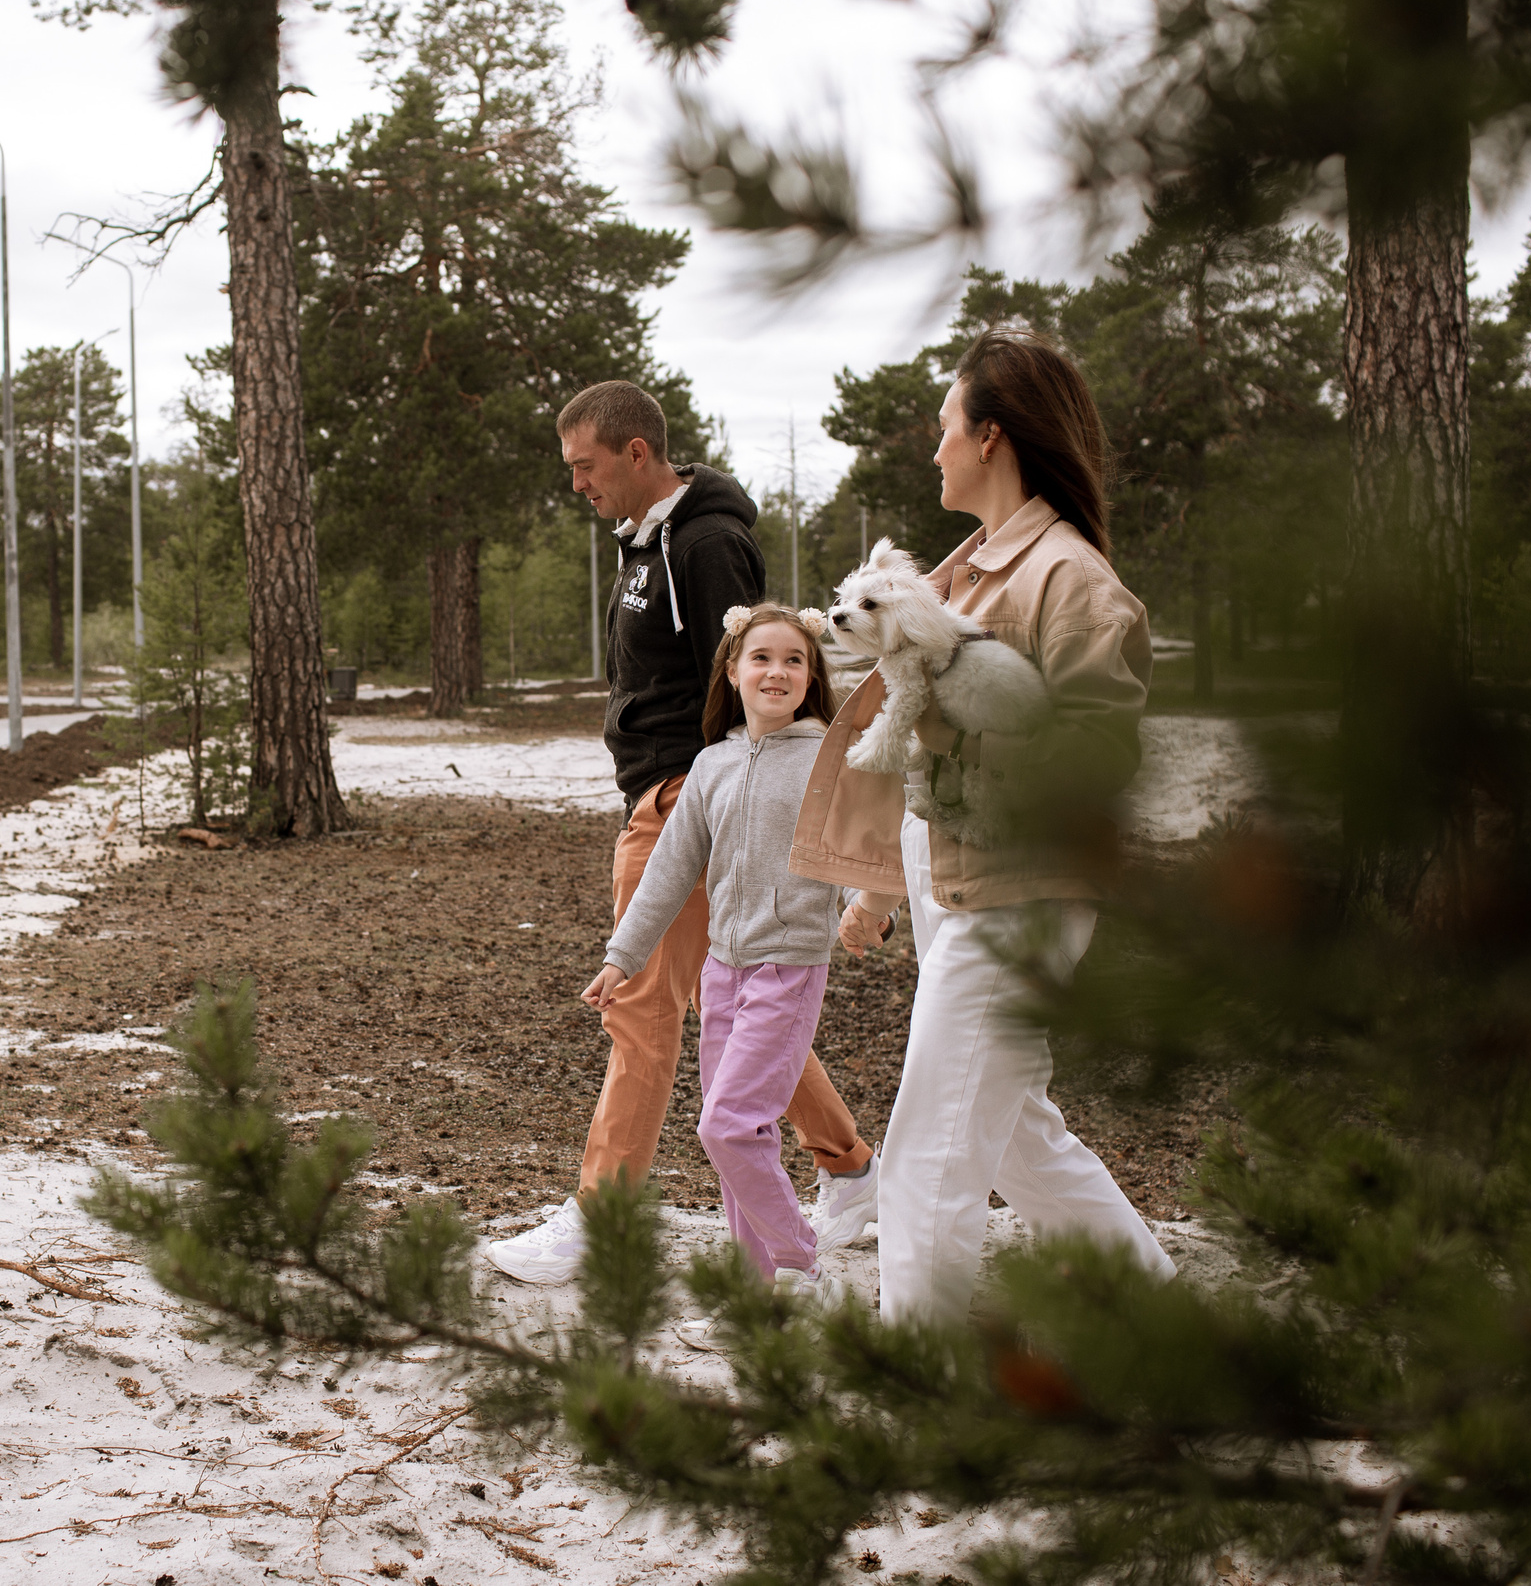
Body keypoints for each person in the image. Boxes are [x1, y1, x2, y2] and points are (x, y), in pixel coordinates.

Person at [789, 328, 1176, 1324]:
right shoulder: (971, 569)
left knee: (931, 1149)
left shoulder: (1068, 580)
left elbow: (1095, 759)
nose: (934, 450)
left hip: (1021, 895)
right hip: (957, 881)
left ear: (992, 437)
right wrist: (880, 879)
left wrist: (956, 746)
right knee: (1012, 1135)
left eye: (945, 428)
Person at [485, 380, 876, 1286]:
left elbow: (745, 681)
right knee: (712, 997)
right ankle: (850, 1167)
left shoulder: (706, 544)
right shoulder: (644, 543)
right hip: (667, 793)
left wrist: (707, 807)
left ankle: (603, 1216)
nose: (577, 484)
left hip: (680, 802)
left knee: (641, 1012)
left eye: (585, 467)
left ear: (634, 453)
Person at [585, 603, 849, 1293]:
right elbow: (668, 870)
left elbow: (857, 848)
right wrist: (623, 956)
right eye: (761, 657)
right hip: (722, 972)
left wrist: (864, 912)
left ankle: (798, 1261)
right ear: (731, 670)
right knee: (739, 1136)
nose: (778, 671)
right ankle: (754, 1289)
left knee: (727, 1125)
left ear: (811, 674)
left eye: (795, 659)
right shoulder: (712, 764)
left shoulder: (828, 757)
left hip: (789, 967)